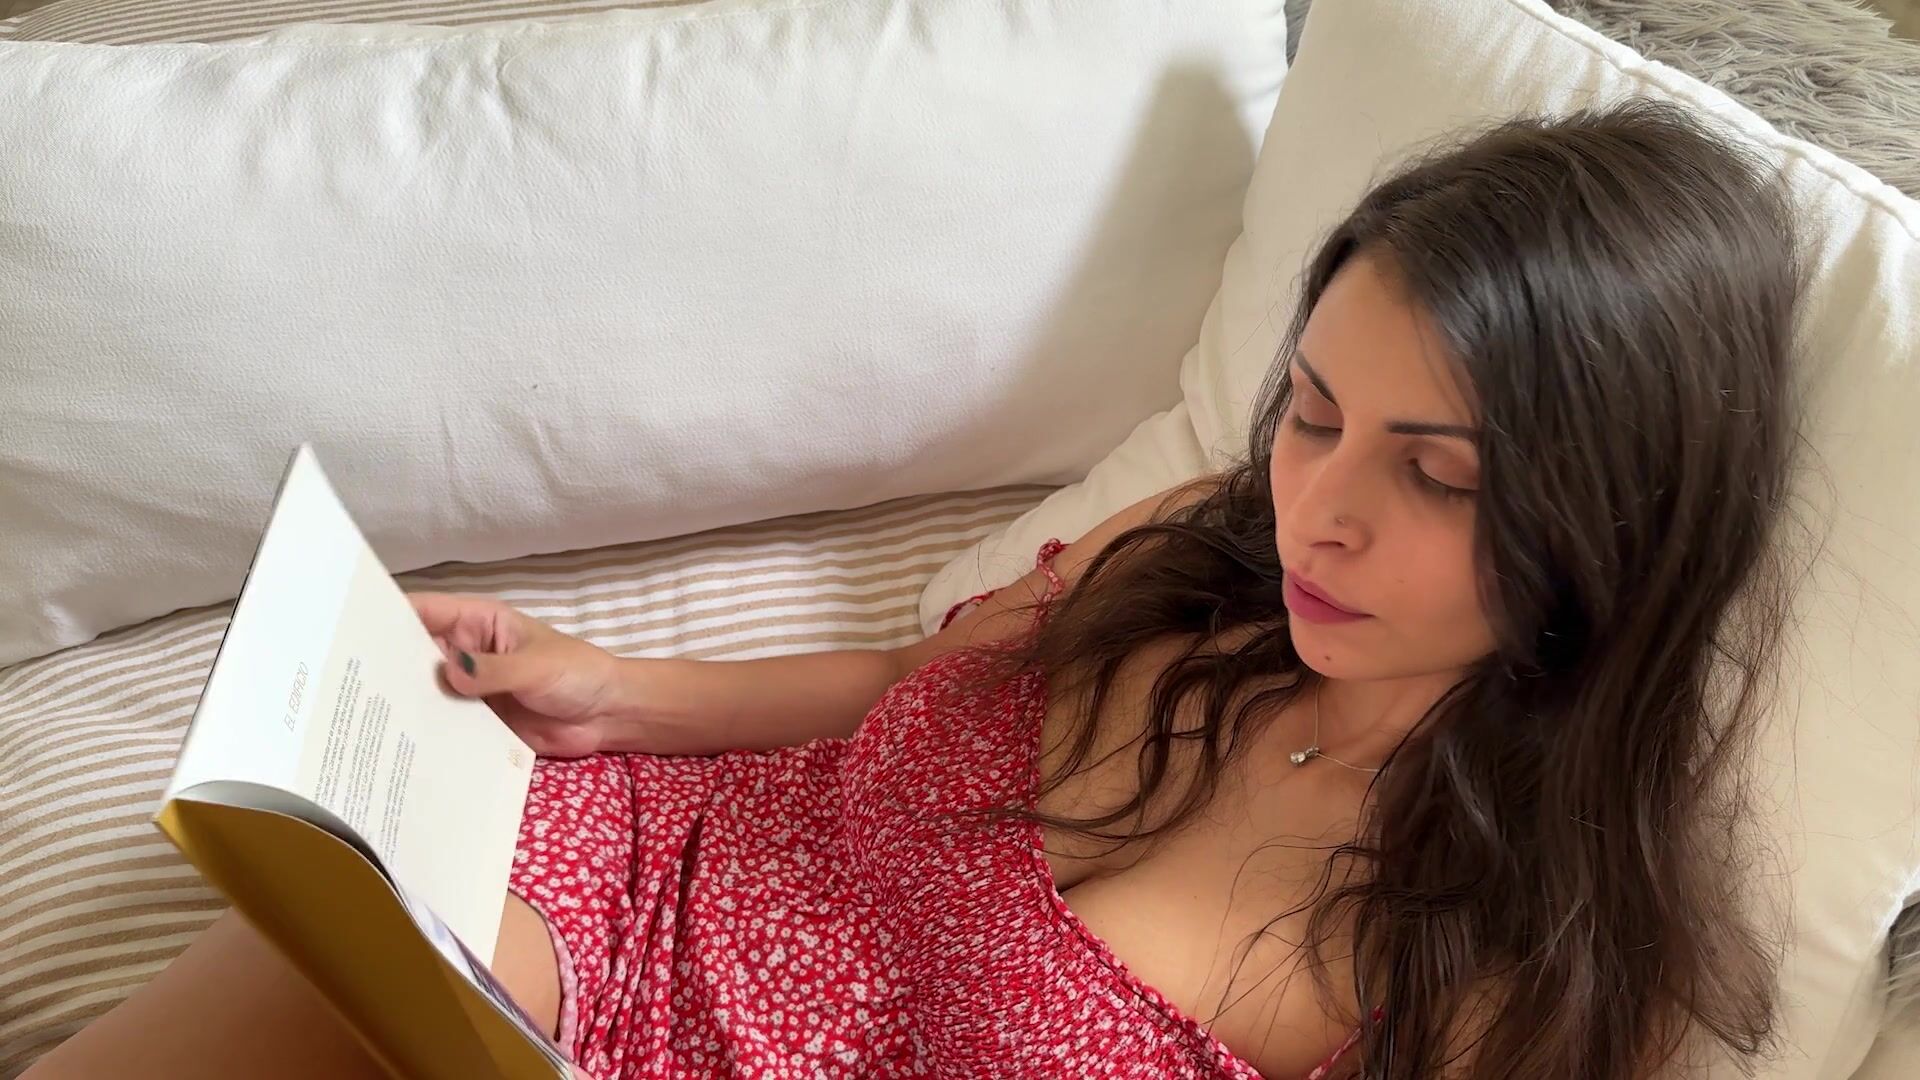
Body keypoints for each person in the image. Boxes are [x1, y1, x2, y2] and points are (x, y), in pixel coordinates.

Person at [26, 98, 1802, 1079]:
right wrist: (612, 689)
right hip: (642, 894)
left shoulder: (1522, 965)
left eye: (1438, 478)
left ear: (1616, 519)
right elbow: (910, 677)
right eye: (1315, 415)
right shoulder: (1206, 553)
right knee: (322, 960)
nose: (1315, 515)